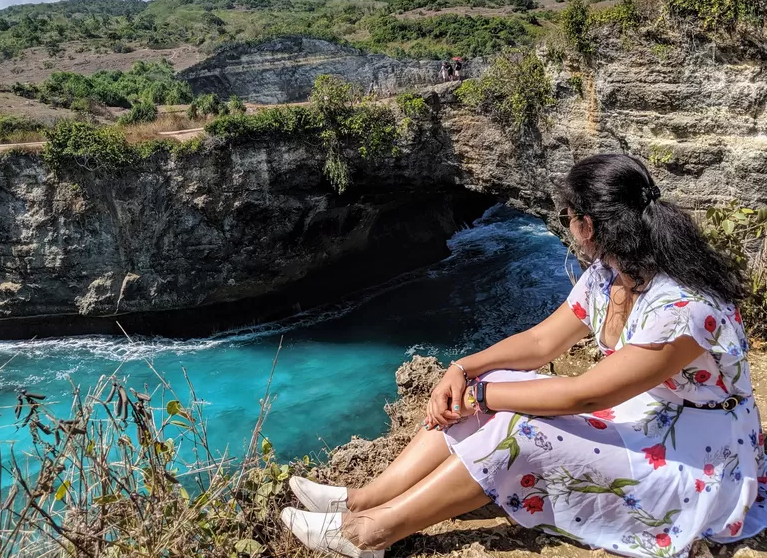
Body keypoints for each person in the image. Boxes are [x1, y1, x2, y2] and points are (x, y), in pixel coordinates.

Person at [281, 154, 766, 558]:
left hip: (697, 457)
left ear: (588, 225)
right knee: (500, 387)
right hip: (646, 417)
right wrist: (465, 369)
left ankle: (369, 534)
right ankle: (363, 499)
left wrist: (486, 396)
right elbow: (540, 343)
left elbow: (583, 394)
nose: (568, 226)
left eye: (567, 217)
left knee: (519, 426)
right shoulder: (609, 274)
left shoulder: (683, 308)